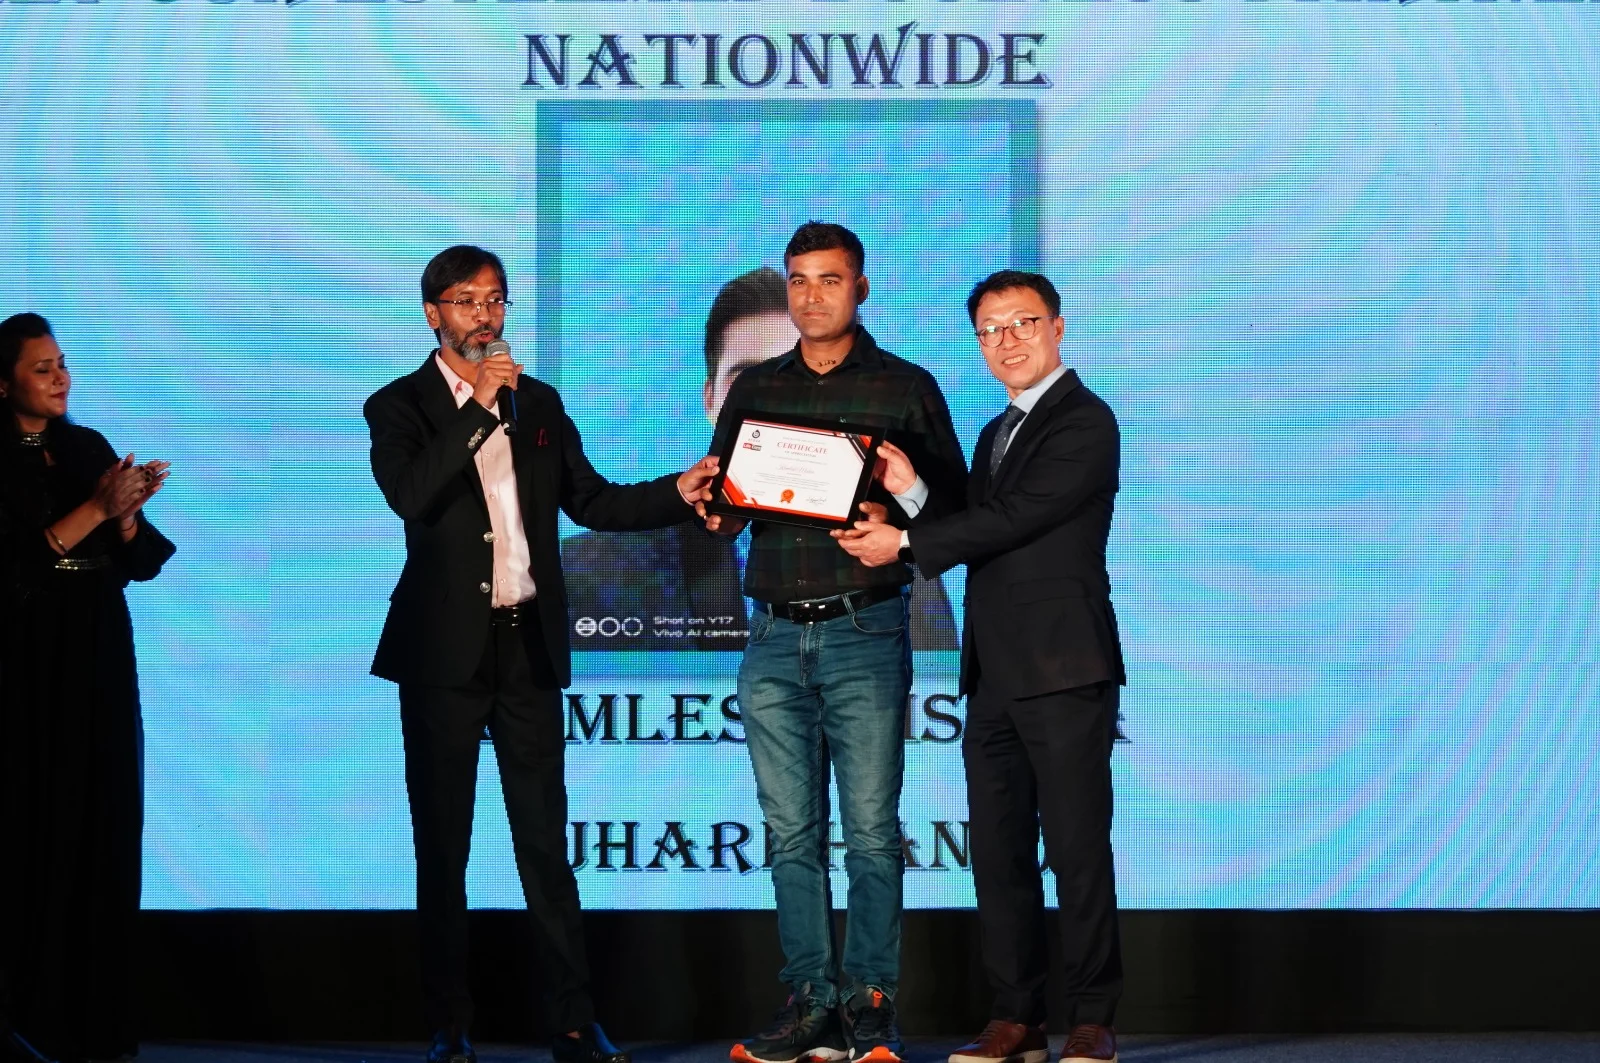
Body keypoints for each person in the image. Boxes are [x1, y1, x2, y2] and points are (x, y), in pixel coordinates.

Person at [363, 246, 719, 1063]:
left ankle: (572, 1019)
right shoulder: (398, 405)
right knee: (443, 846)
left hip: (526, 646)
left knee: (546, 845)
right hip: (441, 655)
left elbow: (590, 500)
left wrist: (676, 491)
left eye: (495, 299)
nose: (484, 315)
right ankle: (449, 1023)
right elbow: (411, 495)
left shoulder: (541, 402)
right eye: (466, 301)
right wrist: (480, 407)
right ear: (432, 314)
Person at [836, 270, 1127, 1063]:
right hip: (994, 674)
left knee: (1076, 849)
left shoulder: (1085, 420)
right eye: (990, 330)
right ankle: (1017, 1017)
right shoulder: (1000, 428)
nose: (1007, 340)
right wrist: (909, 490)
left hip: (1064, 667)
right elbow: (977, 525)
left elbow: (1017, 517)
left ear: (1057, 327)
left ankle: (1092, 1017)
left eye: (1022, 322)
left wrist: (904, 541)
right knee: (998, 855)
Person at [706, 224, 970, 1063]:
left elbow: (958, 514)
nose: (811, 295)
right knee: (789, 833)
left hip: (866, 625)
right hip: (773, 632)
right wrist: (718, 511)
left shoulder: (905, 386)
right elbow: (730, 503)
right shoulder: (756, 388)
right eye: (798, 280)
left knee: (871, 831)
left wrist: (904, 502)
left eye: (829, 279)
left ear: (861, 287)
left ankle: (872, 1003)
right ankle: (810, 1003)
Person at [562, 267, 957, 651]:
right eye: (750, 378)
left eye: (797, 376)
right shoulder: (599, 567)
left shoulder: (890, 550)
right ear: (712, 399)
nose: (775, 397)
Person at [0, 312, 174, 1063]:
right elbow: (15, 569)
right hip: (26, 657)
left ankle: (93, 1018)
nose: (60, 378)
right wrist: (97, 509)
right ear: (3, 382)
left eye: (63, 363)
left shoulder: (86, 447)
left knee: (104, 814)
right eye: (42, 368)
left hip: (98, 649)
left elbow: (140, 563)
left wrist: (126, 517)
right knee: (31, 821)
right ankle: (23, 1014)